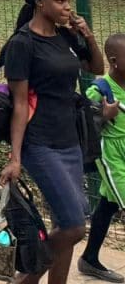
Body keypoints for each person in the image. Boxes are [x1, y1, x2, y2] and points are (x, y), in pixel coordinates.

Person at [0, 0, 103, 284]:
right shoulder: (22, 44)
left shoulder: (66, 36)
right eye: (60, 1)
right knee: (73, 226)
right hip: (39, 143)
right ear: (39, 2)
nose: (67, 7)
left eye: (68, 0)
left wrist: (88, 36)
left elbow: (96, 69)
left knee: (64, 224)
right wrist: (16, 158)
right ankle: (24, 280)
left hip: (70, 140)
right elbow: (19, 104)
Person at [79, 33, 125, 283]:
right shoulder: (100, 89)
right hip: (110, 154)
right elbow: (81, 118)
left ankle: (89, 259)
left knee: (108, 205)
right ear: (115, 61)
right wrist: (103, 116)